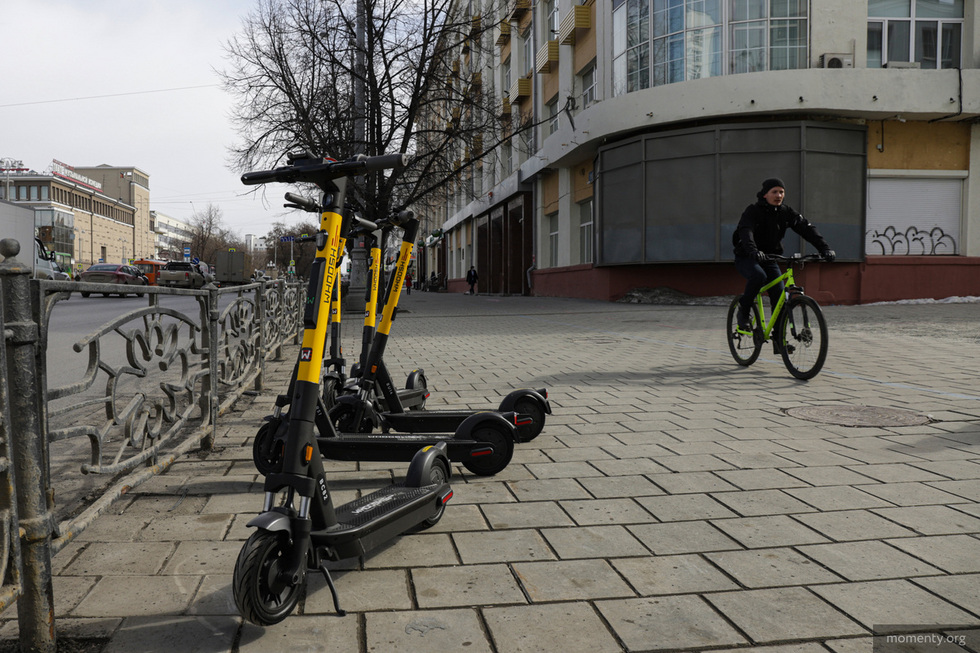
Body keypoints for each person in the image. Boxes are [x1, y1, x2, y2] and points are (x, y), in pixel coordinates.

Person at [733, 178, 835, 334]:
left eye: (781, 192)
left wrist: (825, 249)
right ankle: (744, 311)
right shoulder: (753, 211)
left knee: (779, 296)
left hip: (770, 257)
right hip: (747, 256)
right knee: (758, 276)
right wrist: (753, 251)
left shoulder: (786, 212)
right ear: (765, 195)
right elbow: (746, 232)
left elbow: (807, 229)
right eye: (774, 192)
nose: (779, 195)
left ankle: (779, 337)